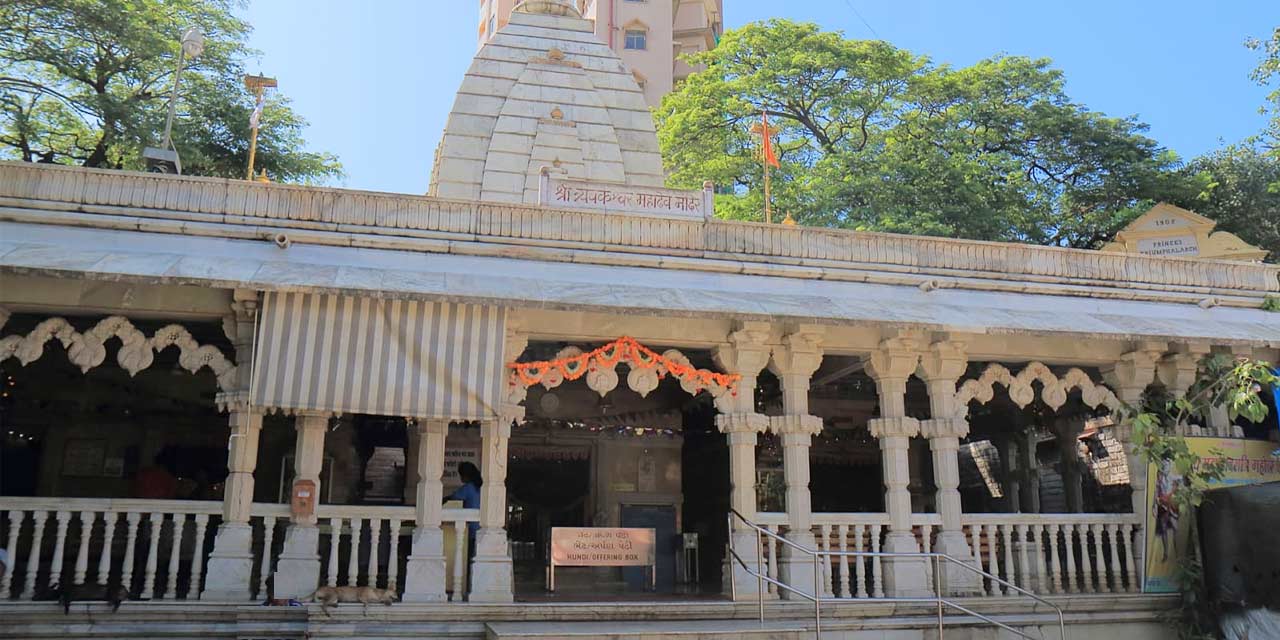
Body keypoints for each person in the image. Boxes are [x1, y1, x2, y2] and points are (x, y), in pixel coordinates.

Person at [445, 461, 483, 595]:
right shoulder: (482, 487)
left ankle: (466, 587)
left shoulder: (468, 488)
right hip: (483, 531)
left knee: (467, 561)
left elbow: (454, 498)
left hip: (471, 531)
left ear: (465, 475)